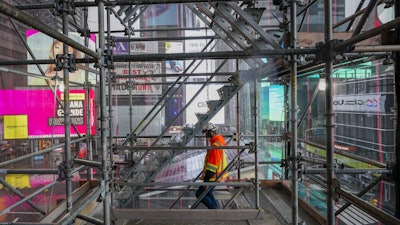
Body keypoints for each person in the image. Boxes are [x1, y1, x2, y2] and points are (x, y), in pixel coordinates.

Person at [196, 123, 228, 209]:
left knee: (199, 194)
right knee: (208, 193)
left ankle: (215, 210)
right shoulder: (219, 142)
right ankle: (216, 211)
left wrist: (206, 182)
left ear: (211, 133)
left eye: (207, 134)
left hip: (213, 176)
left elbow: (212, 167)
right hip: (217, 175)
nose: (206, 137)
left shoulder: (215, 146)